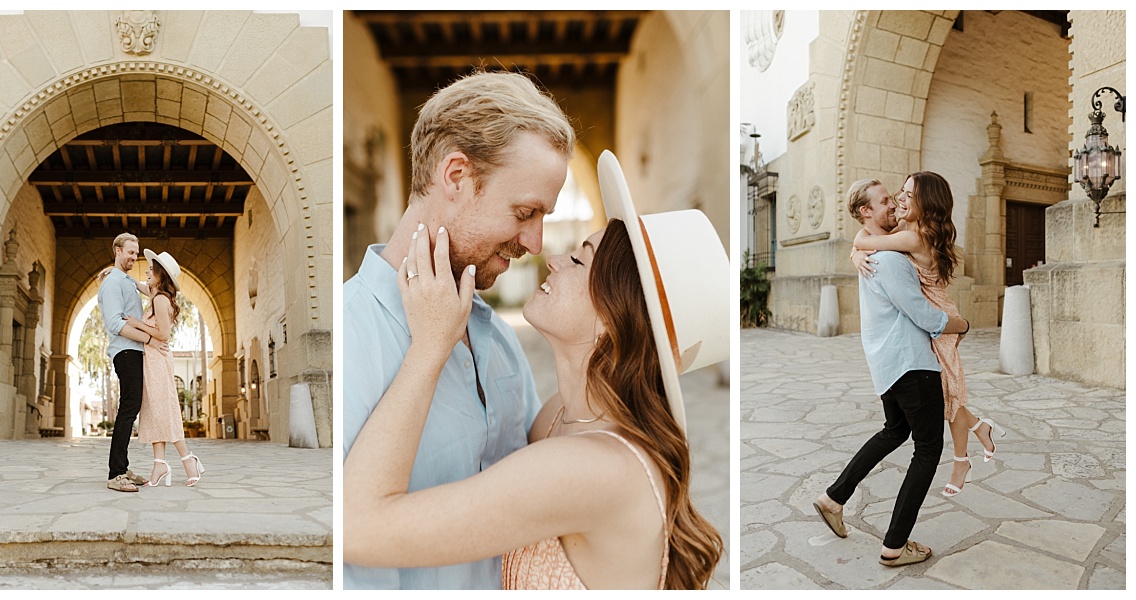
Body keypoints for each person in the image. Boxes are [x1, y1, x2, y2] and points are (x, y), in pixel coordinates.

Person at [344, 151, 728, 589]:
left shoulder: (588, 470)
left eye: (580, 261)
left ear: (611, 322)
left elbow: (356, 526)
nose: (552, 257)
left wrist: (431, 347)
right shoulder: (557, 418)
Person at [342, 70, 575, 589]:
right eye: (524, 211)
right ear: (455, 176)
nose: (535, 242)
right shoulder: (347, 334)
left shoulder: (503, 342)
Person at [812, 178, 970, 567]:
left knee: (896, 431)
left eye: (897, 199)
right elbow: (923, 315)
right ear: (866, 212)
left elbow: (867, 244)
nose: (893, 206)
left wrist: (856, 247)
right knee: (929, 450)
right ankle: (895, 545)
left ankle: (834, 497)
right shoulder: (894, 258)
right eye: (885, 201)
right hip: (913, 364)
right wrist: (960, 324)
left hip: (888, 365)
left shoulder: (878, 251)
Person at [850, 172, 1006, 497]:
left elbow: (865, 240)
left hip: (939, 317)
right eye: (899, 193)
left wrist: (857, 252)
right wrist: (857, 253)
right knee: (950, 390)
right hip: (938, 312)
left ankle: (962, 458)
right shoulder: (915, 232)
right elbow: (868, 239)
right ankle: (978, 429)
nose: (900, 199)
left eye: (908, 194)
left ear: (926, 203)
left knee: (950, 390)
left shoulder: (913, 238)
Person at [112, 250, 206, 488]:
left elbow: (163, 334)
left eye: (151, 270)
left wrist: (137, 324)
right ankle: (159, 464)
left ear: (160, 275)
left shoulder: (161, 300)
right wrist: (117, 274)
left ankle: (188, 460)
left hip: (159, 360)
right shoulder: (155, 295)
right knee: (153, 411)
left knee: (165, 409)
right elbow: (142, 287)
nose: (146, 272)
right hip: (150, 360)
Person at [97, 233, 154, 492]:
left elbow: (154, 288)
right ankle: (116, 473)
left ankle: (122, 466)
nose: (134, 256)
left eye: (136, 252)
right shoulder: (111, 284)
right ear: (117, 250)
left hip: (135, 351)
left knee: (131, 408)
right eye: (130, 252)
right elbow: (115, 323)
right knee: (128, 408)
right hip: (126, 352)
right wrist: (148, 338)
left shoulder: (124, 280)